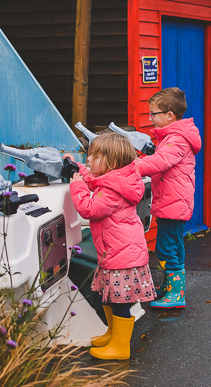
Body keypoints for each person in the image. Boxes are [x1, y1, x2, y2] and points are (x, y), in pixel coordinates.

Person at [68, 133, 156, 361]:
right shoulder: (116, 179)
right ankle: (112, 334)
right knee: (109, 297)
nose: (89, 159)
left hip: (121, 256)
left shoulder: (112, 191)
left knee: (119, 303)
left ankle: (120, 347)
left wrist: (77, 186)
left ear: (111, 163)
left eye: (94, 156)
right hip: (116, 253)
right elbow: (94, 178)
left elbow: (88, 209)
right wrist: (76, 168)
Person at [134, 87, 202, 309]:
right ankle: (172, 287)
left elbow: (159, 162)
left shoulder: (177, 139)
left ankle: (176, 294)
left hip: (173, 204)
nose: (150, 118)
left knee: (165, 248)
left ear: (170, 115)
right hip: (173, 202)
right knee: (174, 245)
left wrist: (130, 168)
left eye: (154, 113)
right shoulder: (173, 137)